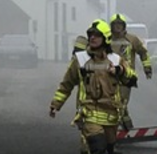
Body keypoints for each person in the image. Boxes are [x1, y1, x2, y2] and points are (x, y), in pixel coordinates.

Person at [49, 20, 136, 154]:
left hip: (111, 116)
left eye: (96, 35)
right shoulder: (80, 59)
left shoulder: (116, 60)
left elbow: (132, 79)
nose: (92, 38)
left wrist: (120, 71)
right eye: (90, 35)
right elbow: (67, 83)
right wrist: (56, 104)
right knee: (98, 147)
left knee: (106, 149)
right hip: (89, 114)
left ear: (105, 38)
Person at [108, 14, 150, 130]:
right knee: (112, 103)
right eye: (115, 25)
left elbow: (143, 53)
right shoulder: (106, 40)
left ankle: (115, 130)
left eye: (120, 24)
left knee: (121, 103)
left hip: (126, 78)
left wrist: (147, 68)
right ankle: (128, 128)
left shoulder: (132, 39)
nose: (118, 27)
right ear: (111, 26)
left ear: (124, 26)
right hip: (109, 77)